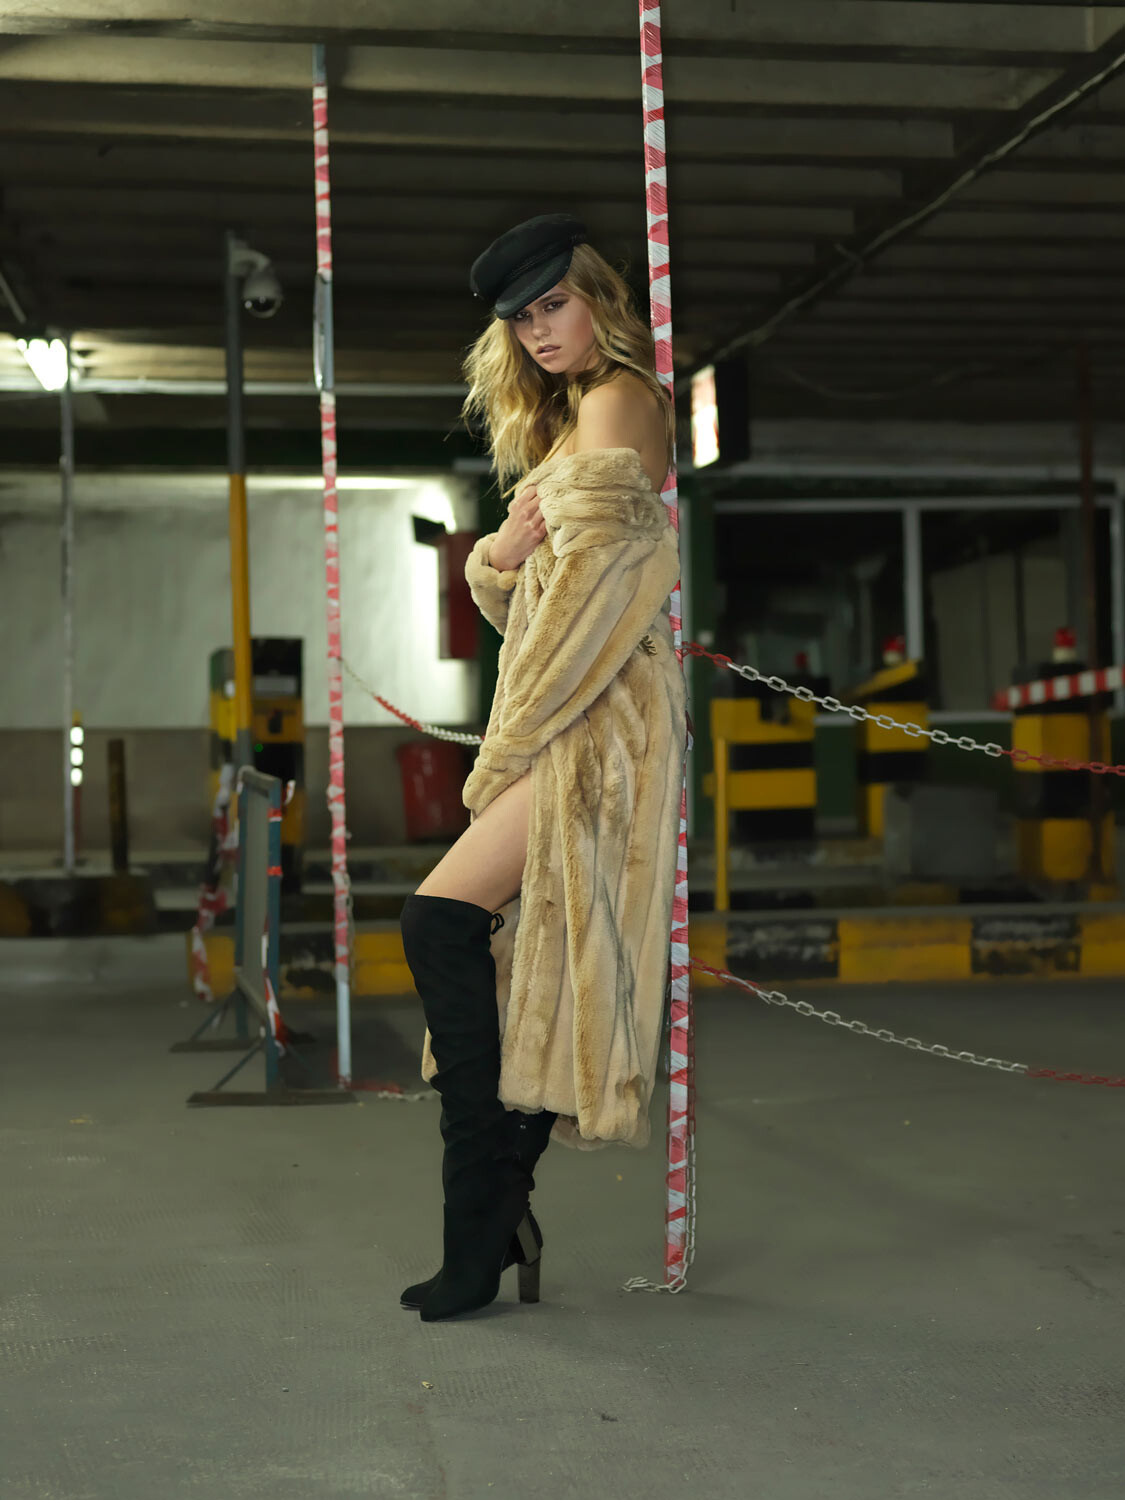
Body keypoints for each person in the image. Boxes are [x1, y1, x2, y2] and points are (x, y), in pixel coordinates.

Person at [398, 214, 687, 1322]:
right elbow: (535, 605)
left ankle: (486, 1214)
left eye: (553, 305)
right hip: (575, 707)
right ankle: (490, 1216)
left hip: (597, 718)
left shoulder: (619, 397)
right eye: (522, 320)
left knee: (440, 920)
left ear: (596, 297)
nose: (538, 332)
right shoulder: (575, 416)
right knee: (519, 960)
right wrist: (500, 555)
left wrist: (504, 755)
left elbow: (583, 615)